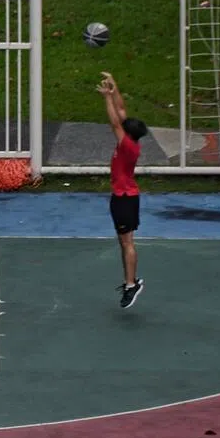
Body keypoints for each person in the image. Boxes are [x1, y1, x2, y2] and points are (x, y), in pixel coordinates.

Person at [98, 71, 149, 309]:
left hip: (125, 199)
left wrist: (106, 97)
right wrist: (114, 86)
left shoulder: (127, 146)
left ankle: (132, 284)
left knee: (127, 242)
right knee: (123, 241)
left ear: (128, 133)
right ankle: (129, 281)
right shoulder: (131, 140)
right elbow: (121, 112)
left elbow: (115, 121)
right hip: (123, 197)